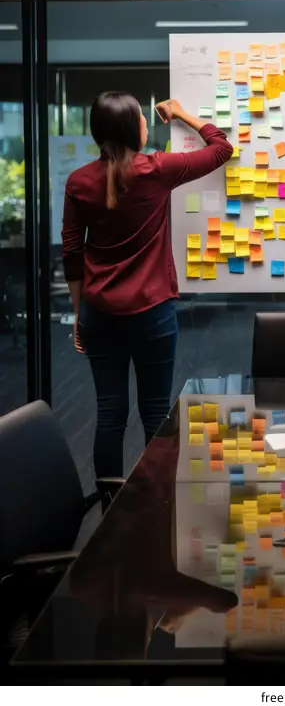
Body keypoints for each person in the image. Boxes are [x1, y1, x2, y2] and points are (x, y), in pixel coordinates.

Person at [62, 92, 232, 477]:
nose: (145, 123)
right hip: (152, 313)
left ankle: (110, 509)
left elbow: (72, 253)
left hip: (99, 314)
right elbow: (222, 148)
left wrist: (78, 315)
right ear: (131, 129)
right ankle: (156, 506)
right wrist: (182, 113)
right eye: (141, 118)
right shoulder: (157, 169)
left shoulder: (79, 182)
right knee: (156, 412)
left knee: (110, 413)